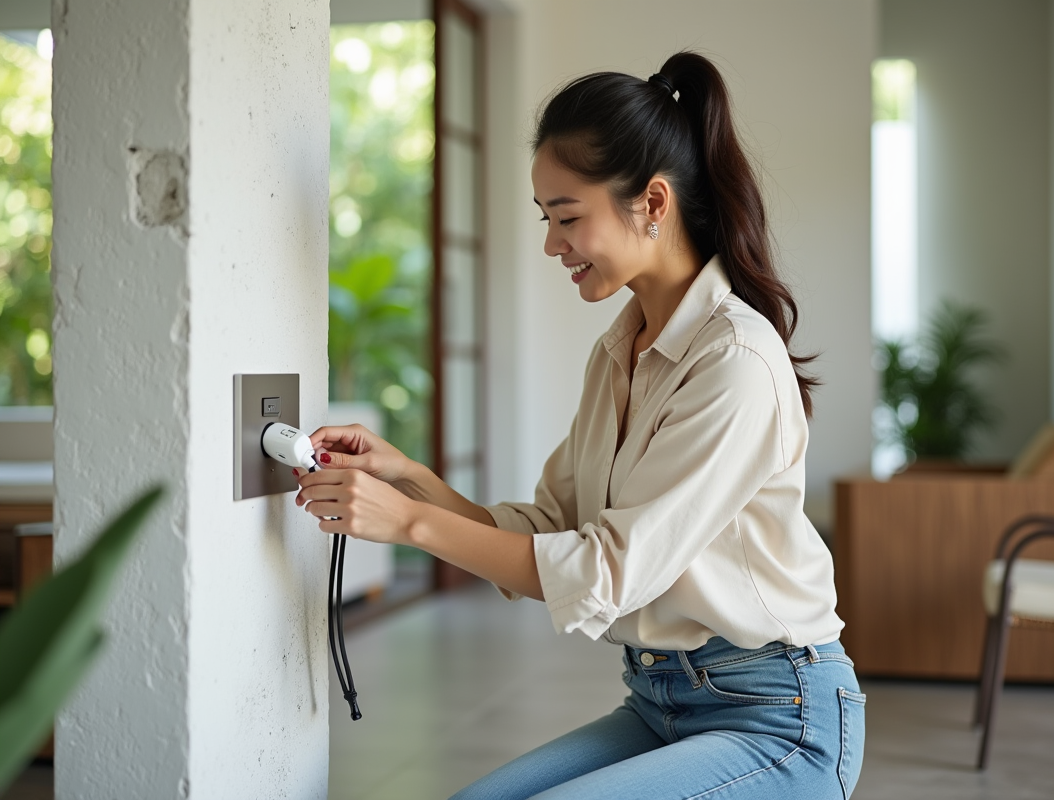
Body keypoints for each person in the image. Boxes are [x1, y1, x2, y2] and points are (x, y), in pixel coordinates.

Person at [294, 50, 865, 800]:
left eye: (568, 217)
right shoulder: (619, 354)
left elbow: (605, 573)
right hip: (662, 705)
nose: (551, 244)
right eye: (547, 219)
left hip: (779, 718)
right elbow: (546, 529)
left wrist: (407, 525)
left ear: (652, 203)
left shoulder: (736, 360)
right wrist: (408, 478)